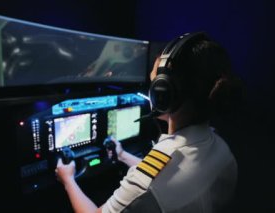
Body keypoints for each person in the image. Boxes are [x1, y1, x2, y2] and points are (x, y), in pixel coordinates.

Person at [56, 32, 242, 213]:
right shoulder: (224, 151)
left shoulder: (146, 184)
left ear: (163, 94)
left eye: (153, 83)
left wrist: (68, 180)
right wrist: (122, 156)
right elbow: (163, 177)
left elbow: (151, 183)